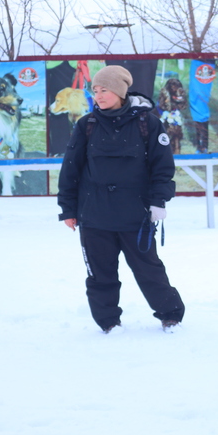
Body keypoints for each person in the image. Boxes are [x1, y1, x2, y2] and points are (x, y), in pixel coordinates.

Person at [57, 65, 185, 333]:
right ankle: (108, 323)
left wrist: (158, 201)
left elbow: (162, 167)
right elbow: (70, 170)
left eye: (104, 90)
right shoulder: (86, 125)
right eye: (95, 90)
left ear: (120, 91)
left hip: (136, 216)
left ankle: (170, 315)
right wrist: (68, 209)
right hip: (94, 216)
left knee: (149, 270)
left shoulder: (148, 123)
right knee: (100, 275)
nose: (98, 96)